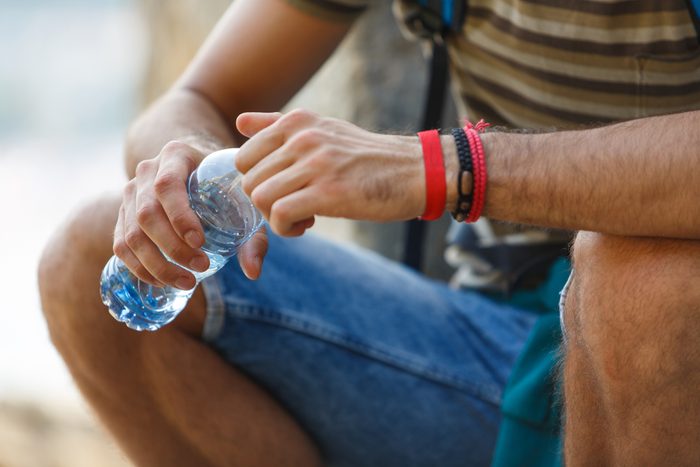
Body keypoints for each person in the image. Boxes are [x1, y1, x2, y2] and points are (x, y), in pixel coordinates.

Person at [38, 0, 700, 465]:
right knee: (89, 252)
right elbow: (192, 101)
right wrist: (193, 169)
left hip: (668, 341)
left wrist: (443, 167)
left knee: (640, 285)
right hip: (499, 340)